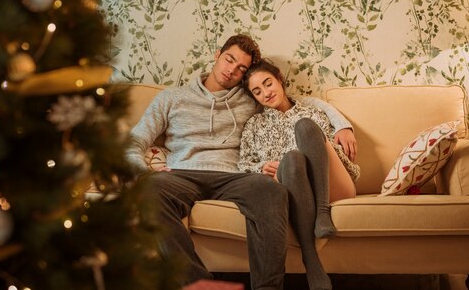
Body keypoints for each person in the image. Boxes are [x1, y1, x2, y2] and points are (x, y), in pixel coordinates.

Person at [127, 34, 354, 290]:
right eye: (229, 59)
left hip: (234, 176)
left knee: (271, 191)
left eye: (241, 68)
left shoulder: (249, 97)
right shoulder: (171, 98)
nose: (231, 70)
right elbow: (135, 141)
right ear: (217, 55)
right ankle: (198, 284)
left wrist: (342, 124)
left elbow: (296, 102)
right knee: (147, 190)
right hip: (182, 173)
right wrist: (141, 170)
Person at [239, 59, 360, 290]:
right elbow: (243, 165)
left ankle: (322, 211)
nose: (265, 93)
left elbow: (333, 154)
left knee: (304, 127)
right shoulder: (254, 125)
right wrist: (262, 167)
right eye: (257, 91)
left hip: (332, 187)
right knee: (292, 160)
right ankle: (311, 258)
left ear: (280, 81)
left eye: (268, 84)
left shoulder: (314, 112)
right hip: (292, 191)